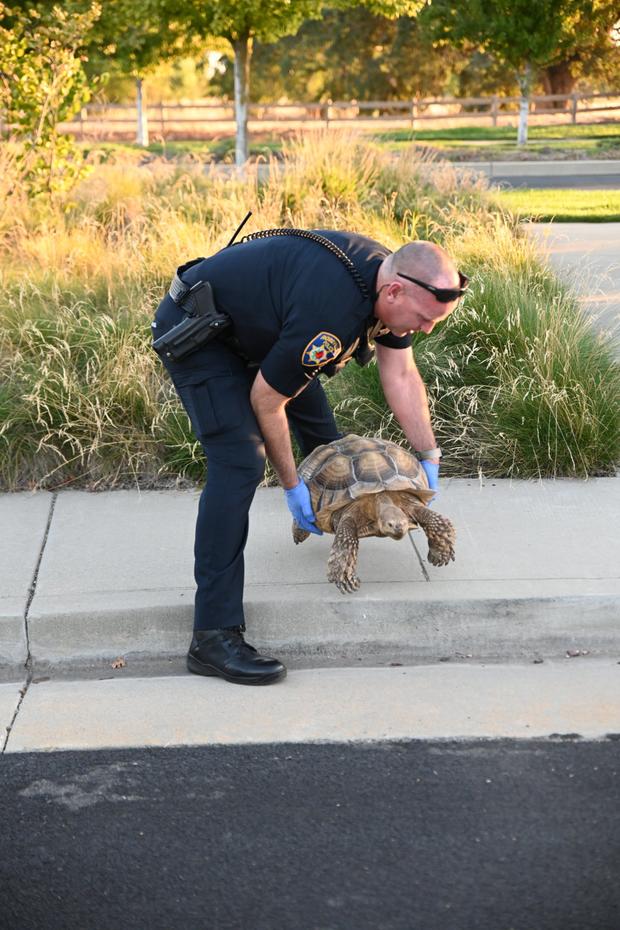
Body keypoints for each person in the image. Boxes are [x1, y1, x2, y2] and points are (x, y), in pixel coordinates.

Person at [151, 228, 467, 686]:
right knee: (240, 461)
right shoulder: (334, 312)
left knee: (327, 444)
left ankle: (344, 531)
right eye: (423, 318)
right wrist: (292, 486)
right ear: (394, 289)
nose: (425, 329)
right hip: (202, 332)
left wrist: (429, 453)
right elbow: (267, 401)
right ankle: (213, 636)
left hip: (261, 329)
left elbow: (400, 372)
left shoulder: (388, 282)